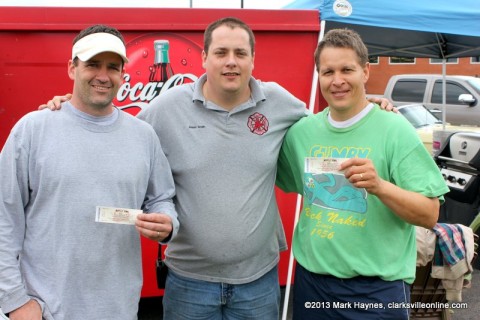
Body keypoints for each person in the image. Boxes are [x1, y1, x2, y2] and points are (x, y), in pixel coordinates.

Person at [38, 18, 394, 319]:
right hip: (189, 282)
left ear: (253, 59)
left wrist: (366, 104)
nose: (231, 62)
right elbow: (119, 131)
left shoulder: (279, 103)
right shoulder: (167, 108)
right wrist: (70, 105)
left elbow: (326, 123)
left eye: (240, 53)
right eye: (221, 52)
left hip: (259, 282)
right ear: (204, 58)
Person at [0, 24, 178, 320]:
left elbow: (162, 198)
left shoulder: (143, 135)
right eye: (93, 64)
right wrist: (14, 301)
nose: (103, 76)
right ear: (72, 67)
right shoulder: (32, 130)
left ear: (123, 73)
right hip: (45, 311)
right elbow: (3, 218)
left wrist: (167, 224)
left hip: (119, 309)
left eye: (113, 67)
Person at [276, 28, 450, 319]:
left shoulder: (395, 130)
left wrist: (380, 186)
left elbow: (429, 213)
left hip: (377, 291)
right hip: (312, 285)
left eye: (347, 69)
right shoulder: (300, 134)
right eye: (328, 71)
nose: (338, 80)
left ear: (366, 71)